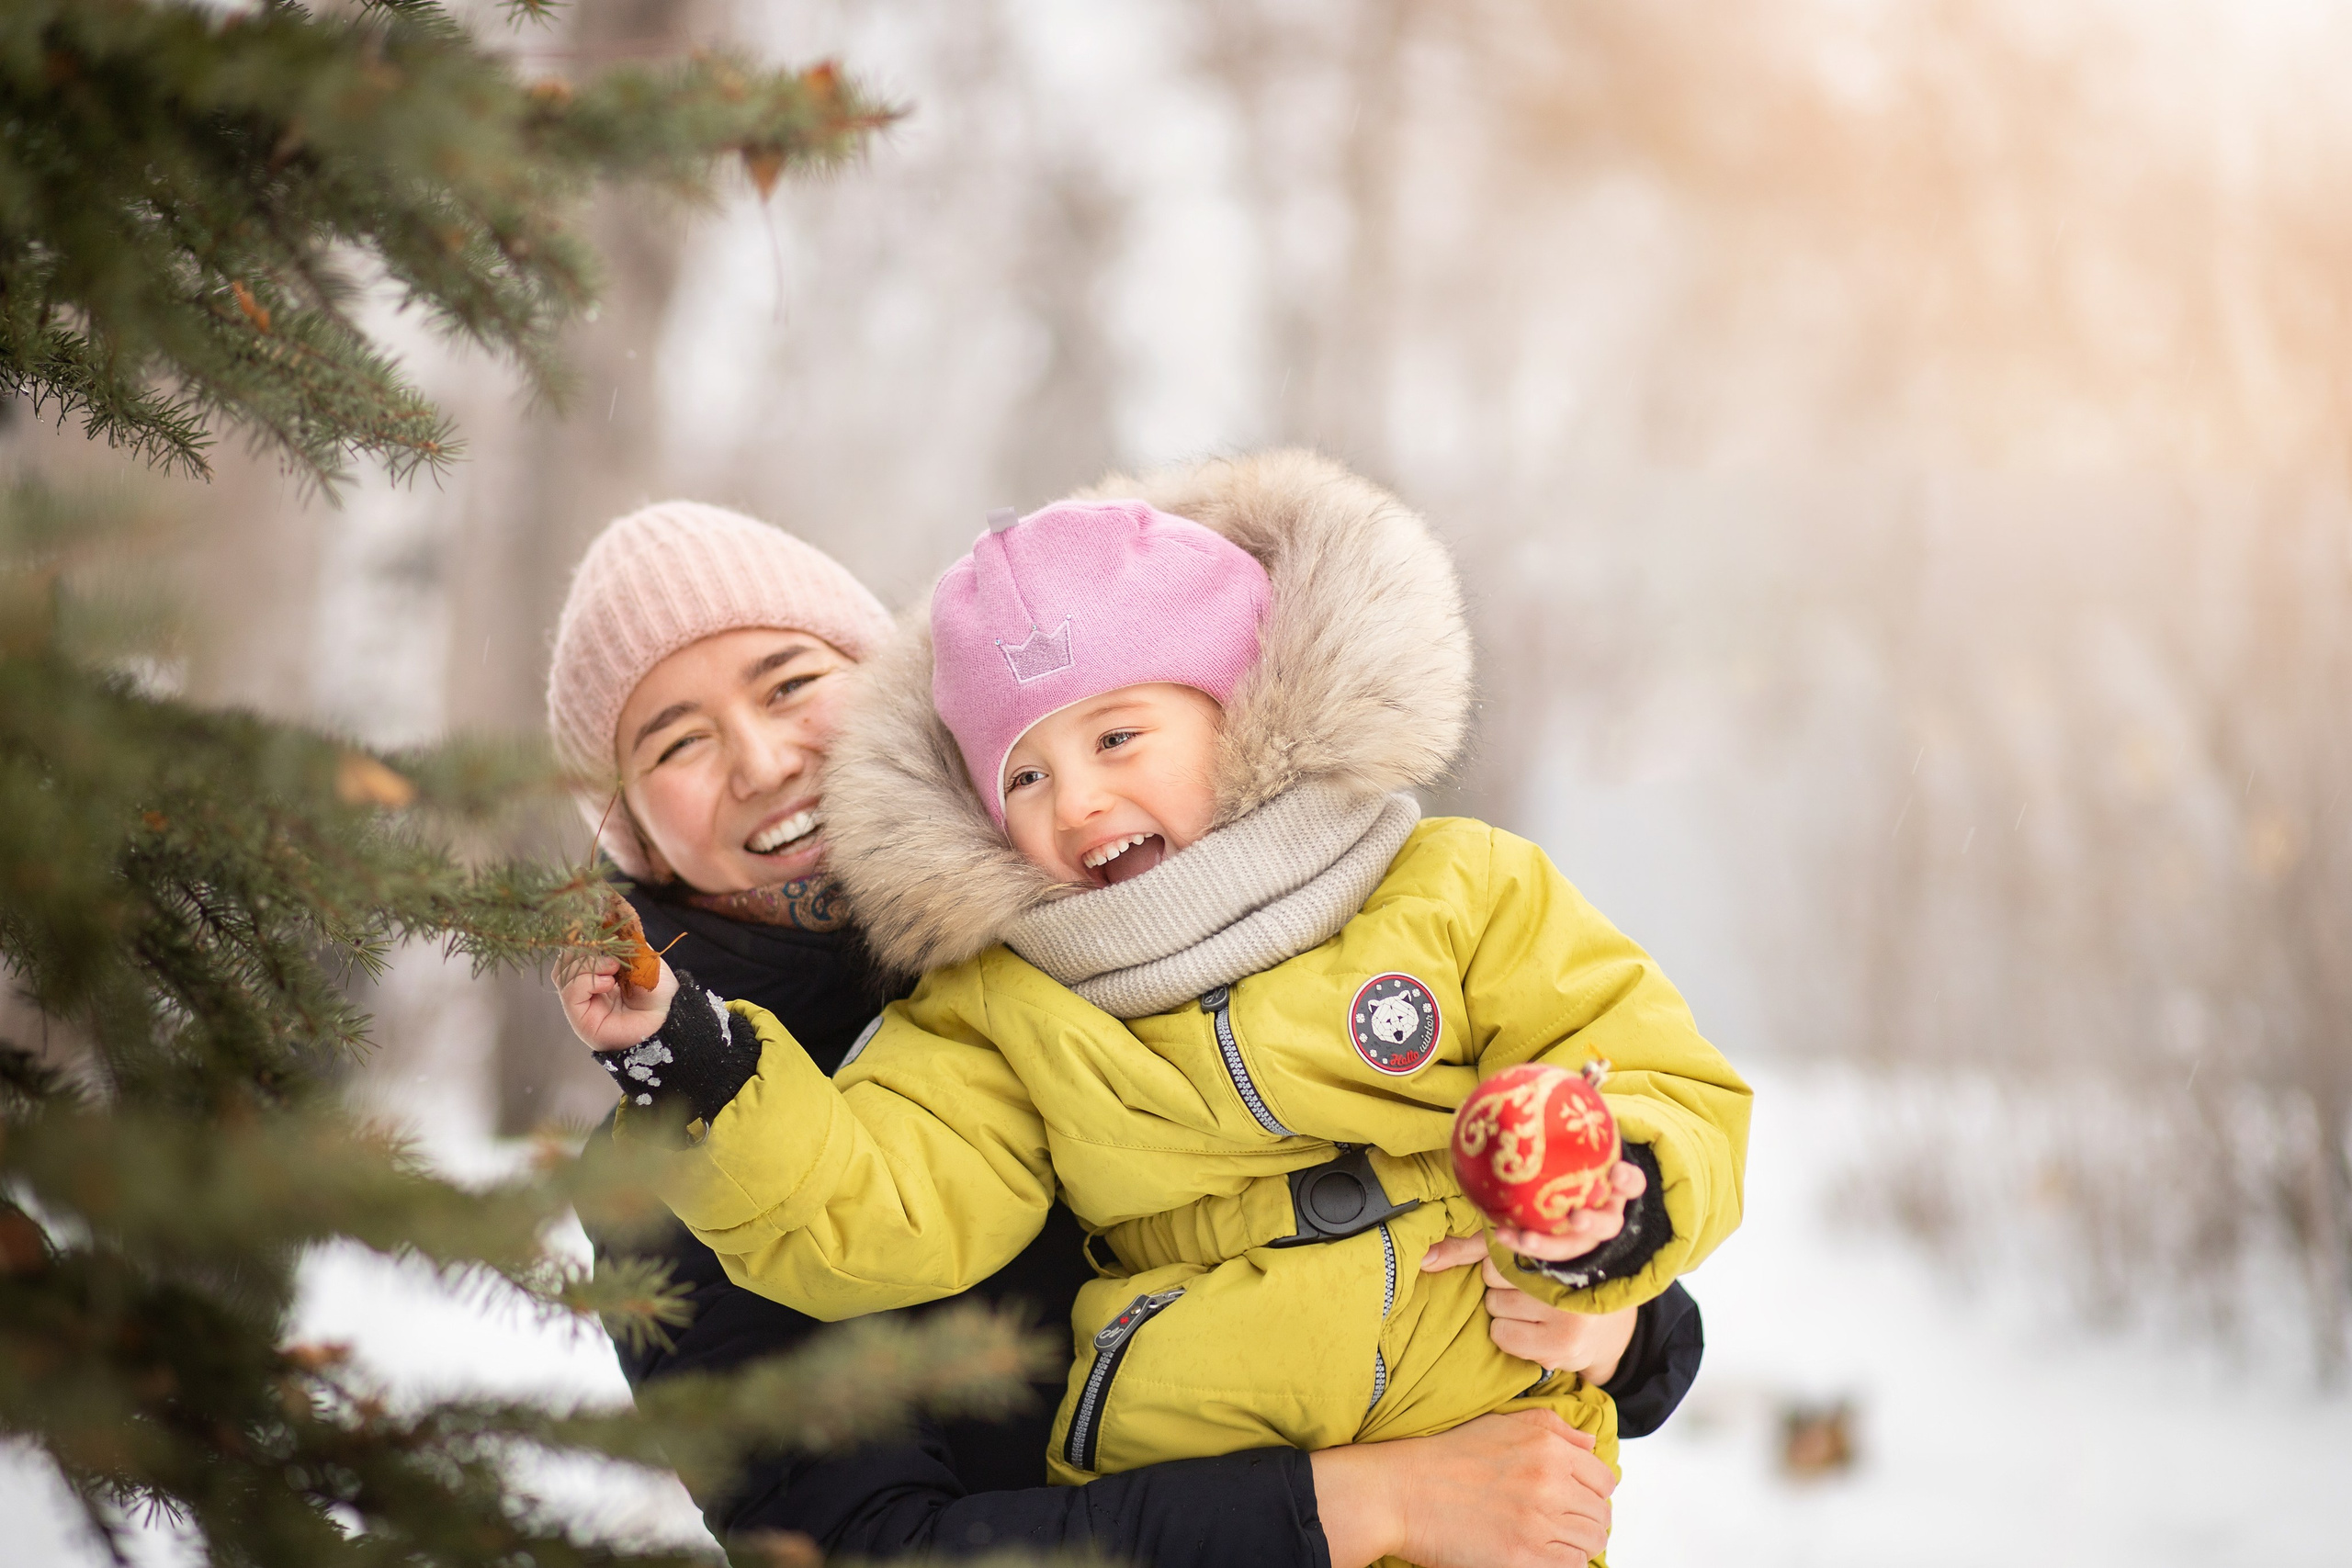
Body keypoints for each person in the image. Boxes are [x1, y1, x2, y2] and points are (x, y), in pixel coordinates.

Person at [562, 457, 1745, 1555]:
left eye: (791, 684)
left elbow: (1624, 1134)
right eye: (677, 742)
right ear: (628, 828)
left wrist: (1614, 1312)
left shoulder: (1411, 890)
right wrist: (1366, 1501)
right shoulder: (954, 1028)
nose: (764, 757)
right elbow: (872, 1543)